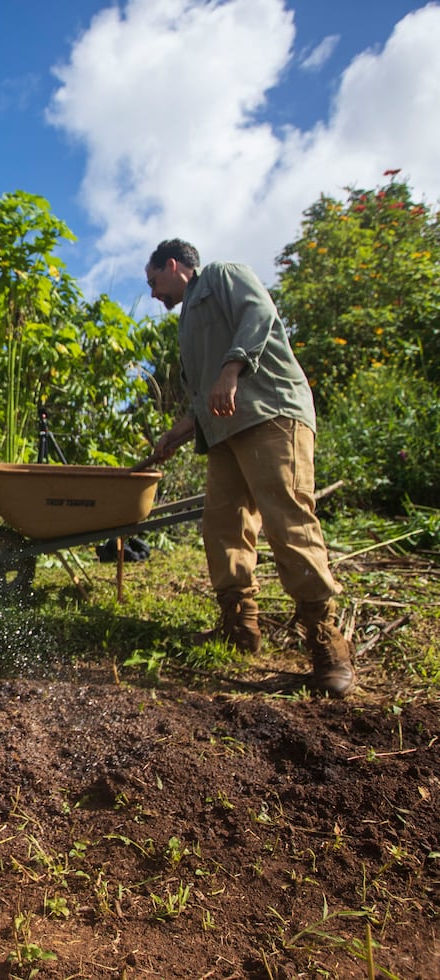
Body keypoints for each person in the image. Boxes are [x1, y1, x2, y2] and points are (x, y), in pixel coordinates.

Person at [144, 238, 355, 698]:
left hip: (269, 414)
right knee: (223, 525)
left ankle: (326, 643)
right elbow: (204, 398)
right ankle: (240, 625)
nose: (153, 291)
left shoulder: (222, 276)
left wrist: (231, 369)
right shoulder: (186, 322)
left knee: (287, 520)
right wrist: (174, 435)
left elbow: (259, 314)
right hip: (223, 433)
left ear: (174, 265)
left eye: (154, 279)